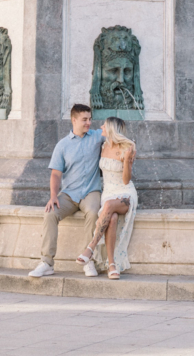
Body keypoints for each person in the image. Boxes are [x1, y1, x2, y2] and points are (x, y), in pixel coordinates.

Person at [29, 103, 103, 278]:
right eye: (84, 119)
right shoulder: (62, 145)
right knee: (50, 213)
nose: (88, 123)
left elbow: (114, 133)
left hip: (91, 191)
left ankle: (88, 259)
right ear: (74, 120)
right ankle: (47, 263)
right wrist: (53, 196)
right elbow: (56, 174)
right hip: (69, 193)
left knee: (93, 212)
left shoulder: (97, 137)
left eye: (90, 119)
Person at [77, 116, 138, 279]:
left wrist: (126, 161)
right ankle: (112, 266)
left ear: (111, 128)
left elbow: (126, 180)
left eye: (104, 125)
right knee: (112, 218)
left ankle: (90, 248)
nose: (101, 126)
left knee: (110, 205)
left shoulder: (129, 147)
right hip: (108, 193)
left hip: (125, 193)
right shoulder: (103, 146)